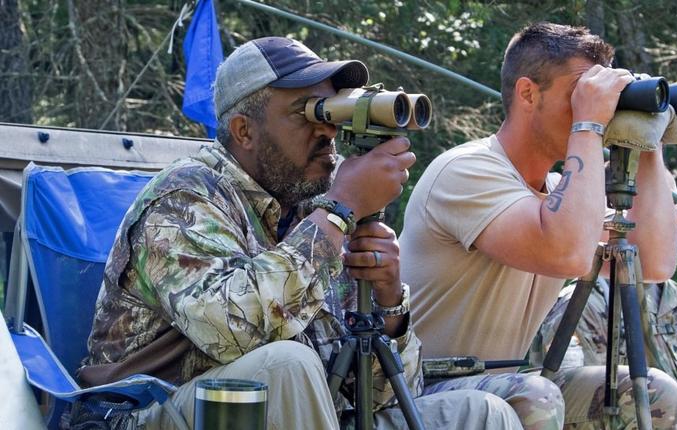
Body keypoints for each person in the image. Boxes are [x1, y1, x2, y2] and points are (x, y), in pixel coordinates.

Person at [79, 37, 525, 429]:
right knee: (288, 365)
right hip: (150, 415)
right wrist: (340, 210)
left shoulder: (314, 212)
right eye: (307, 113)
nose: (328, 130)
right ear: (244, 131)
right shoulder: (185, 195)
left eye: (331, 110)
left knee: (486, 415)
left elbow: (382, 396)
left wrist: (389, 307)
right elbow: (237, 333)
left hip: (300, 414)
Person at [400, 22, 677, 429]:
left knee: (652, 393)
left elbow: (654, 262)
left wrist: (649, 139)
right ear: (528, 93)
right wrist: (587, 125)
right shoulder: (466, 169)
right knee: (535, 395)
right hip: (420, 391)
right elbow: (565, 252)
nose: (597, 110)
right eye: (580, 94)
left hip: (505, 388)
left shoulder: (560, 193)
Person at [531, 180, 677, 430]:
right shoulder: (579, 307)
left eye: (676, 204)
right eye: (664, 203)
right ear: (616, 214)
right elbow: (568, 417)